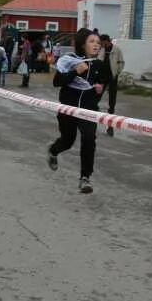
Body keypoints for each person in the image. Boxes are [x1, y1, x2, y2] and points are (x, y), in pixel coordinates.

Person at [47, 28, 107, 194]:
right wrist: (75, 71)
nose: (96, 45)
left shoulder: (100, 65)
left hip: (89, 110)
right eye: (92, 42)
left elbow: (102, 84)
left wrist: (98, 89)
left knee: (89, 139)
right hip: (68, 108)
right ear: (82, 45)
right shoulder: (69, 60)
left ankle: (85, 178)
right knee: (68, 140)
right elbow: (57, 82)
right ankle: (53, 150)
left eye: (98, 43)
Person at [99, 34, 124, 136]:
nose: (101, 44)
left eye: (102, 42)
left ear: (106, 41)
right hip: (101, 78)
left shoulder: (116, 49)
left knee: (112, 102)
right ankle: (91, 119)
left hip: (112, 78)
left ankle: (110, 126)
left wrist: (117, 72)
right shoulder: (101, 49)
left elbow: (121, 62)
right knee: (96, 97)